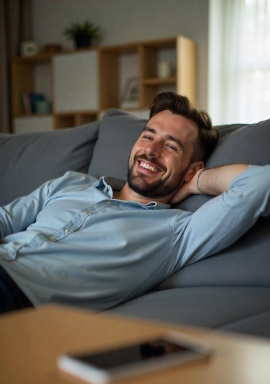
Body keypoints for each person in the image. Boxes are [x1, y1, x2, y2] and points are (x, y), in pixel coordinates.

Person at [0, 92, 269, 314]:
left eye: (171, 147)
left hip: (17, 299)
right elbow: (6, 219)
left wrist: (196, 182)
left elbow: (261, 183)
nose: (151, 151)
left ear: (191, 169)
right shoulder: (70, 183)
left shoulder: (176, 233)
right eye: (148, 136)